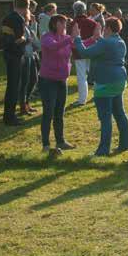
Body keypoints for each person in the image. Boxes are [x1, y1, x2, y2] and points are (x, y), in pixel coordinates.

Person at [72, 16, 128, 156]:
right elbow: (105, 49)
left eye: (105, 29)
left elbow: (84, 52)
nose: (103, 31)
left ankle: (103, 150)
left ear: (109, 29)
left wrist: (77, 38)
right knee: (120, 113)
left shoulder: (105, 42)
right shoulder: (119, 41)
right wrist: (98, 38)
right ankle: (125, 144)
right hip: (119, 80)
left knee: (105, 118)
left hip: (105, 81)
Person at [39, 14, 75, 154]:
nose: (65, 26)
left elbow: (80, 45)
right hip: (48, 81)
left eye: (65, 23)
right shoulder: (46, 37)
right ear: (55, 24)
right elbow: (54, 47)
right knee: (48, 112)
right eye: (62, 23)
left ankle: (61, 141)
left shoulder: (66, 38)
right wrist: (70, 39)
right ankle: (46, 145)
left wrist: (94, 39)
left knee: (59, 113)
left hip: (62, 80)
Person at [1, 0, 31, 126]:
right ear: (26, 7)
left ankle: (8, 114)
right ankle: (9, 117)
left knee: (11, 86)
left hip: (8, 53)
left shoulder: (7, 17)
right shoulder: (18, 19)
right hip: (15, 55)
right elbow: (19, 39)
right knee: (14, 87)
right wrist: (27, 39)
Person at [71, 0, 97, 107]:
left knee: (82, 76)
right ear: (84, 10)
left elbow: (71, 40)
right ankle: (99, 95)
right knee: (94, 74)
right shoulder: (92, 22)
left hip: (78, 52)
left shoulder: (72, 24)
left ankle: (82, 100)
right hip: (91, 51)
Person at [19, 9, 40, 116]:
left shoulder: (28, 27)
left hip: (31, 55)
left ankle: (27, 102)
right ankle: (23, 106)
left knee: (33, 79)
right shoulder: (22, 26)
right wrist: (29, 41)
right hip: (25, 56)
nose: (31, 17)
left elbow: (33, 36)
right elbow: (22, 40)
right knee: (25, 82)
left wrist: (34, 23)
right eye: (29, 16)